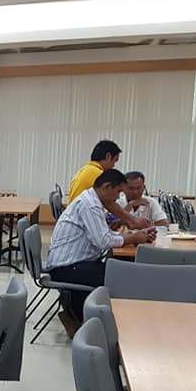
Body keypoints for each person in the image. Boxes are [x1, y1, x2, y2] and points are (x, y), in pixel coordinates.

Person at [46, 170, 155, 327]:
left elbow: (101, 235)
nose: (117, 198)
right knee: (120, 277)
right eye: (118, 192)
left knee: (119, 272)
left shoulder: (91, 200)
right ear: (107, 187)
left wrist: (128, 233)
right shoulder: (90, 205)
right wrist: (133, 238)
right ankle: (110, 323)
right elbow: (103, 241)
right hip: (68, 267)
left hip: (72, 263)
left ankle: (78, 315)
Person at [68, 140, 150, 230]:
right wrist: (134, 220)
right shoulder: (98, 174)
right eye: (115, 161)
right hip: (81, 224)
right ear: (108, 156)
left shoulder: (84, 170)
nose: (113, 166)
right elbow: (110, 204)